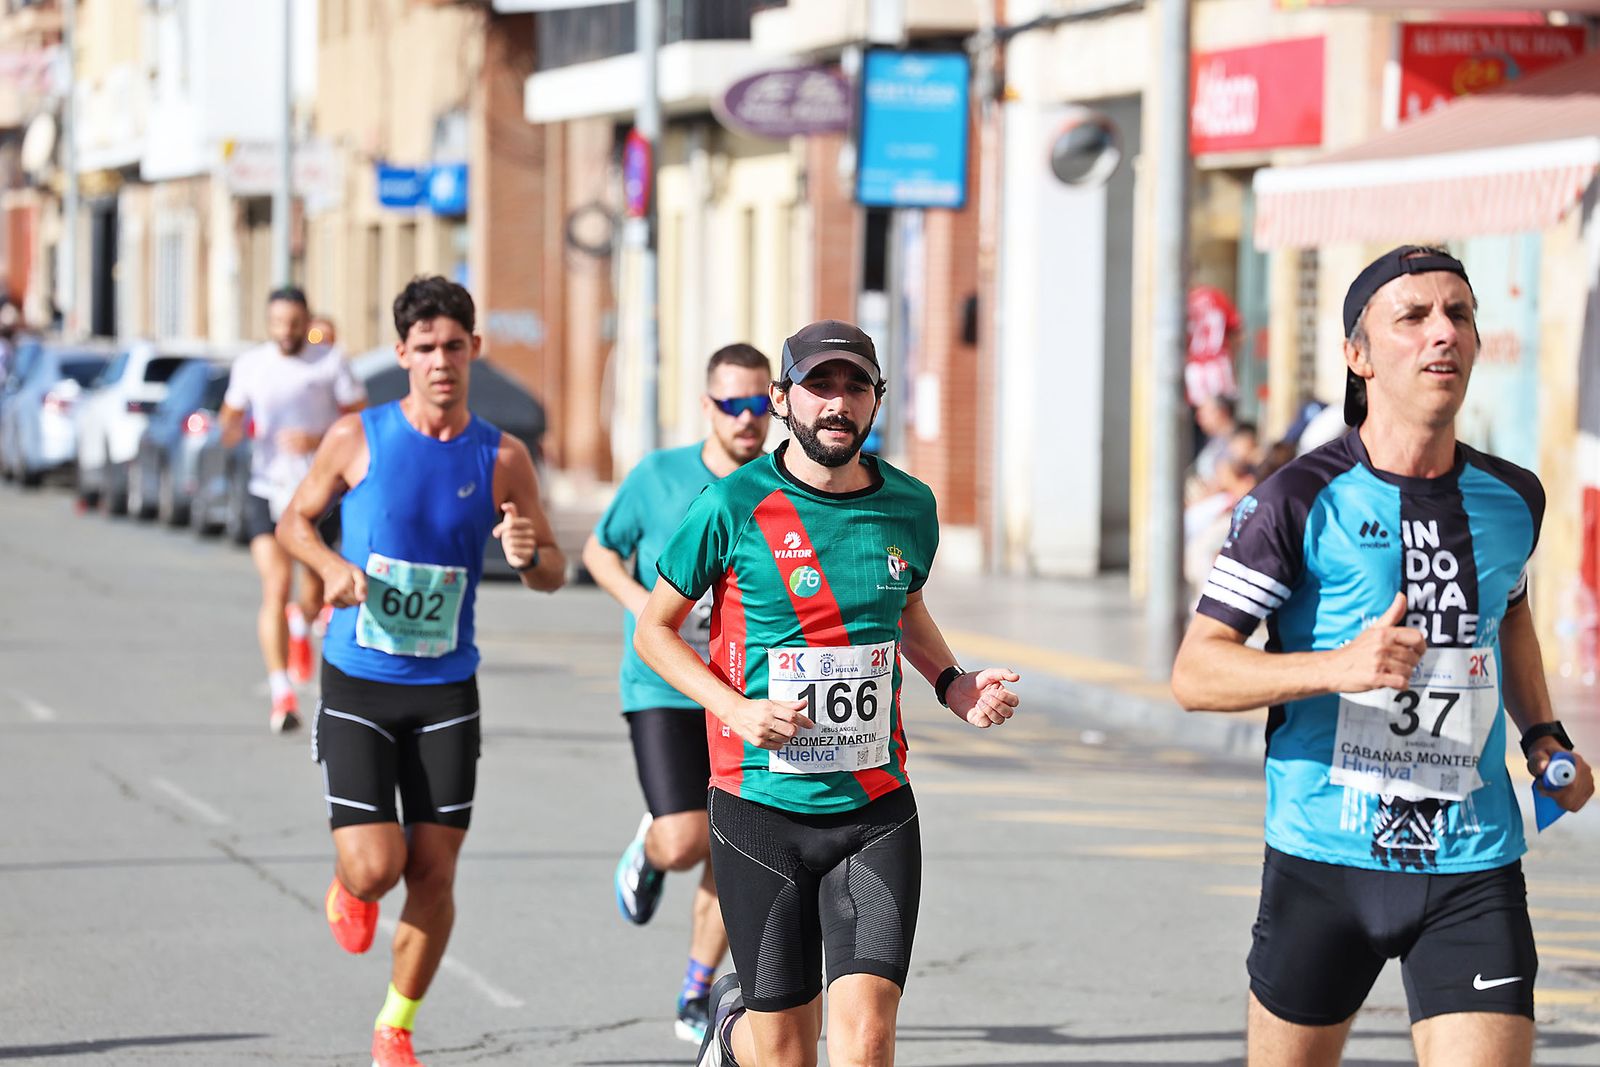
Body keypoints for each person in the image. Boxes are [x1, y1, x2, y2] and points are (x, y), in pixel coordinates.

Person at [1171, 246, 1595, 1067]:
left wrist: (1544, 733)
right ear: (1358, 355)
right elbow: (1197, 670)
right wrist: (1338, 666)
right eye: (1414, 316)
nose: (1444, 333)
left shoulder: (1513, 500)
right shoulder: (1296, 499)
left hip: (1475, 861)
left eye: (1459, 314)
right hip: (1324, 858)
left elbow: (1510, 616)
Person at [634, 319, 1021, 1067]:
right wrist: (735, 708)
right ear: (783, 399)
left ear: (876, 401)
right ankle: (729, 1028)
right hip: (760, 809)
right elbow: (655, 631)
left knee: (868, 1042)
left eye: (854, 386)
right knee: (784, 1053)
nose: (837, 403)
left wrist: (952, 681)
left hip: (876, 808)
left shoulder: (910, 505)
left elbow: (903, 609)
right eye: (819, 385)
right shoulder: (732, 505)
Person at [277, 276, 567, 1067]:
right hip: (361, 678)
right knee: (379, 867)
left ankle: (395, 1023)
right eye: (426, 348)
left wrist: (529, 554)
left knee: (434, 871)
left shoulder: (503, 456)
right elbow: (293, 520)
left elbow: (551, 570)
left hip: (446, 688)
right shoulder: (356, 436)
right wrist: (331, 564)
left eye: (455, 346)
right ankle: (352, 884)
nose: (442, 361)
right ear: (402, 354)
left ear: (475, 349)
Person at [581, 343, 773, 1043]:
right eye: (733, 404)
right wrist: (643, 607)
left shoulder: (782, 484)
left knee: (736, 843)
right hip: (661, 680)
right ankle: (651, 849)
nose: (748, 419)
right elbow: (600, 550)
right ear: (707, 406)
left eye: (760, 404)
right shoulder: (658, 475)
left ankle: (696, 989)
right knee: (686, 838)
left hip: (745, 692)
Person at [220, 287, 366, 732]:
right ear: (268, 323)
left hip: (315, 491)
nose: (285, 331)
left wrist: (316, 440)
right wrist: (238, 426)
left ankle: (301, 627)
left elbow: (361, 422)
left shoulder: (330, 362)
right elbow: (227, 427)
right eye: (278, 322)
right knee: (275, 585)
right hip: (267, 489)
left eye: (293, 323)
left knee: (310, 593)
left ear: (307, 321)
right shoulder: (251, 366)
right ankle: (282, 692)